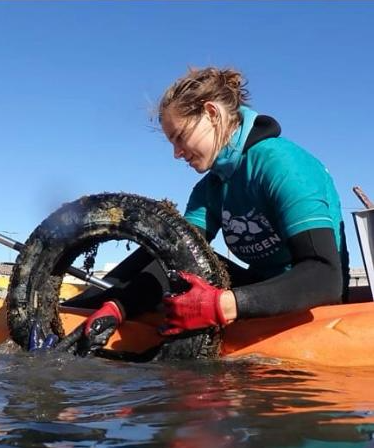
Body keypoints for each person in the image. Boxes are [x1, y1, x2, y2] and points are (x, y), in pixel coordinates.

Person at [71, 66, 349, 355]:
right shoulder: (210, 188)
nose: (176, 153)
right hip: (254, 292)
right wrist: (112, 304)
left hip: (313, 302)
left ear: (212, 114)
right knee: (176, 259)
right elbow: (167, 256)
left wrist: (222, 305)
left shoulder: (283, 165)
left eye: (179, 137)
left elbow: (325, 276)